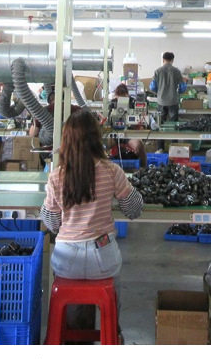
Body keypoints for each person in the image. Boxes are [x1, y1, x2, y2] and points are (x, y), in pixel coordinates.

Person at [40, 109, 143, 334]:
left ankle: (74, 336)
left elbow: (52, 223)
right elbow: (134, 209)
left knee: (72, 301)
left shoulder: (56, 176)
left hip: (67, 260)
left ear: (66, 140)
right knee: (110, 294)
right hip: (103, 257)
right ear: (96, 139)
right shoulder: (112, 171)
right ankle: (111, 330)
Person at [108, 84, 148, 167]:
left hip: (130, 134)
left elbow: (141, 118)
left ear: (127, 95)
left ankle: (143, 168)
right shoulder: (112, 103)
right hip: (115, 134)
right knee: (102, 146)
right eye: (119, 97)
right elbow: (109, 120)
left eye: (124, 97)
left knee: (139, 146)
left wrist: (140, 125)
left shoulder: (133, 102)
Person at [150, 51, 186, 123]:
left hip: (161, 101)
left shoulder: (157, 71)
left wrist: (159, 92)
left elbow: (153, 87)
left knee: (160, 122)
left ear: (163, 60)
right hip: (173, 101)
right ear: (172, 60)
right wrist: (178, 93)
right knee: (173, 123)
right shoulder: (177, 71)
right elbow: (182, 87)